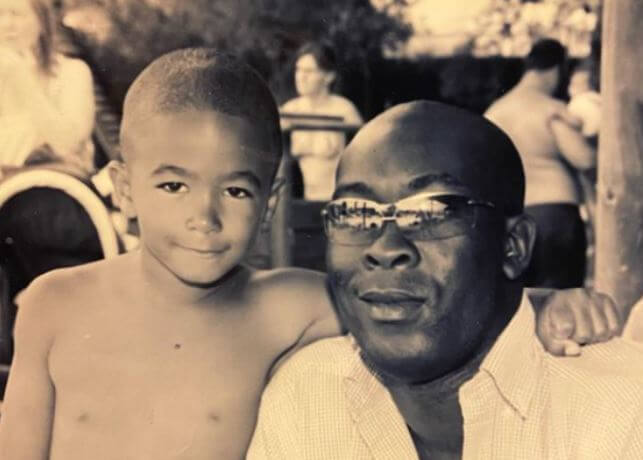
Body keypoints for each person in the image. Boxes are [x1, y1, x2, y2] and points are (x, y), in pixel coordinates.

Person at [0, 49, 623, 459]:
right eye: (172, 184)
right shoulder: (58, 304)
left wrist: (548, 300)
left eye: (236, 189)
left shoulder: (287, 304)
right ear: (125, 187)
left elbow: (438, 301)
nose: (204, 215)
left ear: (271, 202)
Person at [247, 101, 643, 460]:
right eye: (355, 212)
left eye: (432, 211)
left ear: (512, 245)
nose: (384, 248)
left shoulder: (622, 411)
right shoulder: (307, 398)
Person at [485, 39, 595, 288]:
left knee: (524, 301)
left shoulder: (493, 114)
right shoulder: (551, 110)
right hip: (556, 215)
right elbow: (584, 159)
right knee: (564, 301)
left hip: (512, 219)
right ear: (556, 69)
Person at [0, 0, 95, 173]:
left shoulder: (72, 72)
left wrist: (21, 78)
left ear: (42, 22)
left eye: (16, 14)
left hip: (54, 190)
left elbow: (68, 145)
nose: (7, 24)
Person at [281, 41, 363, 201]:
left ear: (328, 76)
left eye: (309, 71)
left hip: (340, 203)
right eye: (298, 69)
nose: (301, 77)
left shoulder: (344, 110)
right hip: (301, 205)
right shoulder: (290, 110)